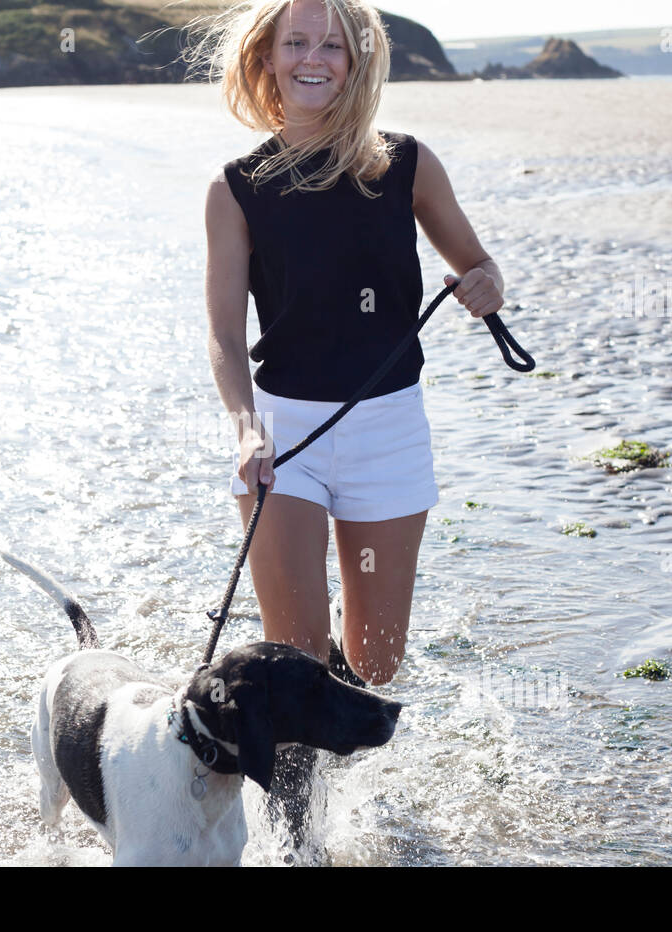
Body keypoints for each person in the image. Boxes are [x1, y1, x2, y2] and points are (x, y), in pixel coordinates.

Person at [198, 0, 505, 854]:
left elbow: (476, 267)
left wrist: (485, 286)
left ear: (357, 59)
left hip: (388, 431)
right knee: (291, 657)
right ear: (265, 57)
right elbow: (224, 334)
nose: (314, 58)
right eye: (296, 41)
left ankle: (331, 737)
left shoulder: (406, 164)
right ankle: (299, 841)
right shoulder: (236, 186)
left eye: (332, 44)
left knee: (373, 663)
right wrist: (246, 431)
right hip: (284, 438)